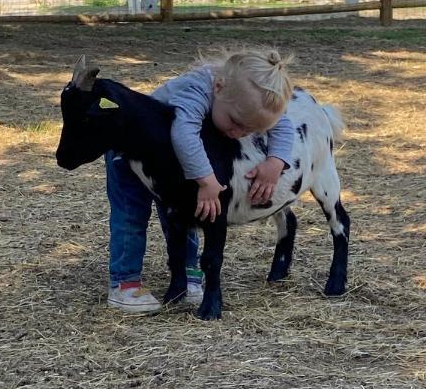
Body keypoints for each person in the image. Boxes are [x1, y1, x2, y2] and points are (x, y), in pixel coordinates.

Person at [106, 48, 294, 313]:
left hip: (170, 163)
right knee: (131, 216)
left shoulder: (242, 103)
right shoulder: (196, 90)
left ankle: (188, 272)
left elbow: (284, 126)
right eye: (236, 123)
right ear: (218, 87)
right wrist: (207, 182)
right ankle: (125, 283)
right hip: (132, 156)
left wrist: (275, 163)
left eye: (251, 130)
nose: (238, 134)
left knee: (188, 212)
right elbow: (183, 132)